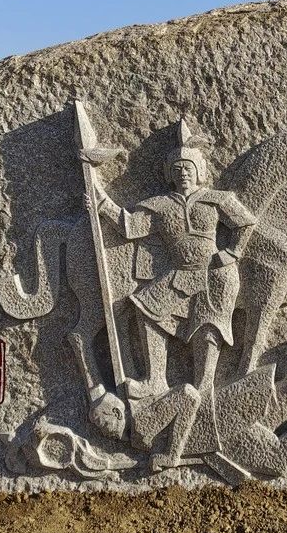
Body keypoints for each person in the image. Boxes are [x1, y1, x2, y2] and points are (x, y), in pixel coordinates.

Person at [91, 120, 256, 451]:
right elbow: (130, 227)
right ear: (169, 173)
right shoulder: (160, 205)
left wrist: (232, 252)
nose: (184, 173)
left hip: (213, 275)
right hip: (179, 273)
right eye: (178, 169)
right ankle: (156, 379)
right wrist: (99, 200)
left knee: (207, 330)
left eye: (189, 168)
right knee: (146, 310)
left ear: (199, 171)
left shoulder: (216, 199)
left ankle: (205, 389)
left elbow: (245, 222)